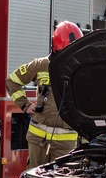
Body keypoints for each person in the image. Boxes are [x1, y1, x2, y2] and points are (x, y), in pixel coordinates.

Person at [6, 21, 82, 169]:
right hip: (38, 138)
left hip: (65, 142)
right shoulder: (41, 65)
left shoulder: (81, 70)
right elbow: (12, 81)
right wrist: (25, 105)